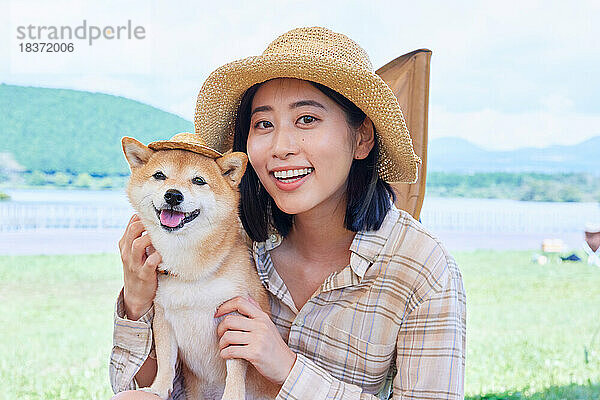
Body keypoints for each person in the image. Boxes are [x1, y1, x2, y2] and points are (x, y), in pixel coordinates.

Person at [110, 27, 466, 400]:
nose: (281, 147)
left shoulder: (421, 267)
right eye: (264, 124)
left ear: (362, 138)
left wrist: (287, 370)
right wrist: (137, 301)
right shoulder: (227, 233)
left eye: (307, 119)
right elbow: (154, 387)